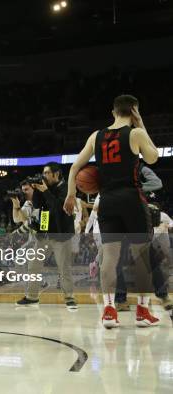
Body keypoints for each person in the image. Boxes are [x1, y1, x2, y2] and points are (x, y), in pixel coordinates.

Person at [64, 95, 160, 328]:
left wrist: (71, 194)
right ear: (134, 111)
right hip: (131, 199)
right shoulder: (135, 133)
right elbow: (153, 157)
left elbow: (76, 166)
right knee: (141, 256)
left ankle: (108, 311)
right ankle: (142, 311)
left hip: (106, 200)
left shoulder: (96, 136)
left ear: (113, 112)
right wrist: (142, 125)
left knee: (109, 257)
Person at [16, 162, 78, 310]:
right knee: (34, 266)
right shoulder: (45, 188)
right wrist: (37, 190)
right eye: (43, 173)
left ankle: (69, 298)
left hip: (61, 235)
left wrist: (45, 191)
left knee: (64, 268)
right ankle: (32, 297)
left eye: (47, 173)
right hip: (44, 233)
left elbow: (59, 209)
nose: (44, 176)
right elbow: (38, 206)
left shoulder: (66, 189)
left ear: (56, 174)